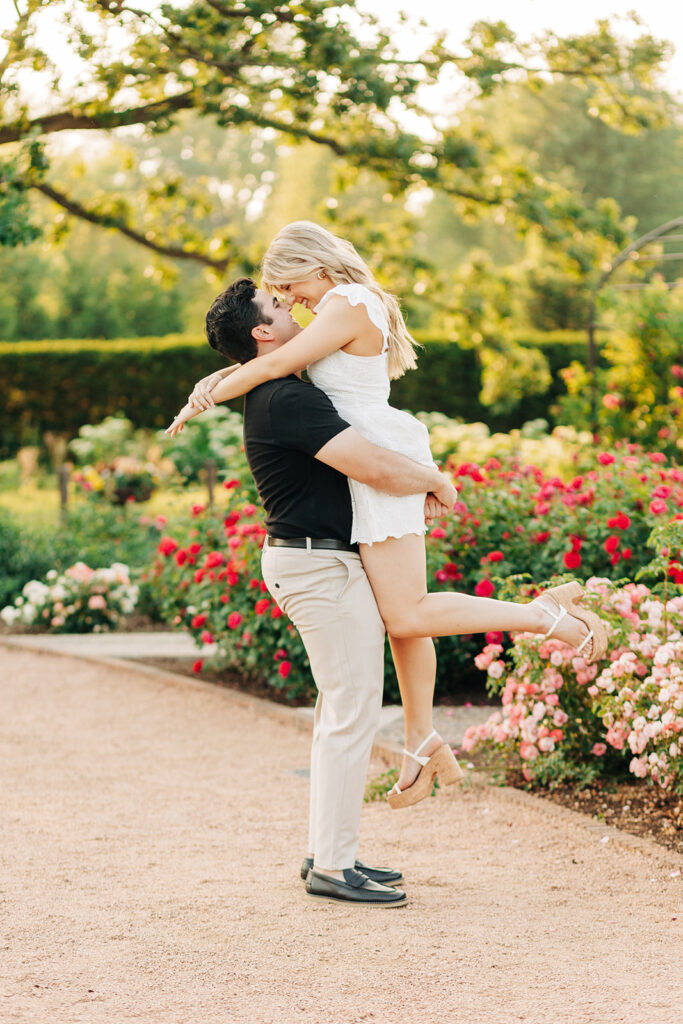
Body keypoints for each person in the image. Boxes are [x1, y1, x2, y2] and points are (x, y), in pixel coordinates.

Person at [167, 222, 608, 813]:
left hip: (376, 458)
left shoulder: (348, 303)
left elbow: (274, 363)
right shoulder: (340, 305)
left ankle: (544, 615)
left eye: (289, 284)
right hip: (368, 459)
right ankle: (421, 739)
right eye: (280, 293)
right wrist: (213, 379)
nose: (291, 297)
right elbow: (271, 357)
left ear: (315, 266)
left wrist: (207, 394)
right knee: (403, 617)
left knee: (407, 610)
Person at [169, 277, 462, 907]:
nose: (294, 307)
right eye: (278, 307)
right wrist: (435, 479)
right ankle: (333, 865)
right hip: (318, 569)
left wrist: (209, 388)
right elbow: (373, 465)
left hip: (317, 564)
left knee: (343, 712)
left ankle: (331, 852)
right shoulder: (286, 400)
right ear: (262, 335)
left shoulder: (283, 388)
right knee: (352, 711)